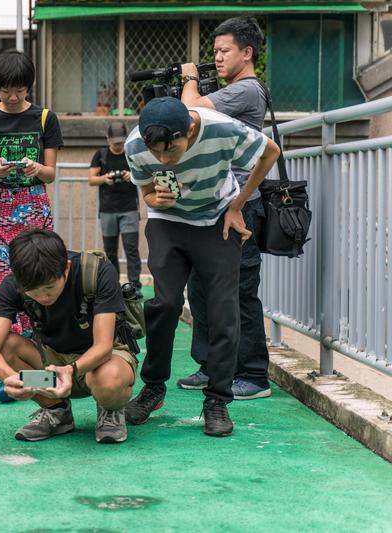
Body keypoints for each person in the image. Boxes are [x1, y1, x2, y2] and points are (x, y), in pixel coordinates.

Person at [124, 96, 279, 437]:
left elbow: (271, 152)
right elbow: (146, 191)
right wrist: (154, 199)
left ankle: (218, 400)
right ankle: (153, 387)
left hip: (217, 219)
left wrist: (238, 205)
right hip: (168, 222)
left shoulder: (221, 127)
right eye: (158, 154)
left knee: (224, 307)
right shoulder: (135, 145)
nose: (165, 159)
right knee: (164, 304)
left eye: (171, 150)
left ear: (190, 129)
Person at [178, 16, 271, 400]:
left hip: (240, 205)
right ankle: (211, 365)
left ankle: (253, 374)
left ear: (246, 53)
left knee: (239, 290)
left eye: (224, 50)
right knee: (200, 287)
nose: (216, 58)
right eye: (213, 51)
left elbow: (189, 112)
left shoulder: (247, 90)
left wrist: (188, 78)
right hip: (215, 204)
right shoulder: (232, 89)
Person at [0, 228, 137, 443]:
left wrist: (71, 370)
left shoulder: (97, 271)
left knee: (106, 379)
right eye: (33, 291)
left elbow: (103, 347)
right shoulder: (13, 284)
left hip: (100, 362)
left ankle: (110, 409)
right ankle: (57, 411)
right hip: (51, 373)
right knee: (6, 345)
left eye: (50, 287)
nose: (43, 296)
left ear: (66, 268)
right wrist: (10, 377)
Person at [0, 50, 64, 336]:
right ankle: (7, 355)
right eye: (5, 91)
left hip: (33, 207)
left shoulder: (45, 118)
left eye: (19, 91)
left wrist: (36, 168)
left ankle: (38, 352)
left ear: (29, 87)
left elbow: (51, 173)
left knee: (38, 278)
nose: (11, 97)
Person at [87, 121, 143, 295]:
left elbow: (143, 175)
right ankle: (113, 284)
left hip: (129, 208)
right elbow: (91, 179)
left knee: (131, 248)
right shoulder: (101, 155)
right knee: (110, 251)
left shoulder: (131, 153)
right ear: (108, 139)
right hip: (107, 209)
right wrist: (104, 179)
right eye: (115, 142)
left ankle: (134, 285)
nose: (118, 145)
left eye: (121, 142)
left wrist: (131, 176)